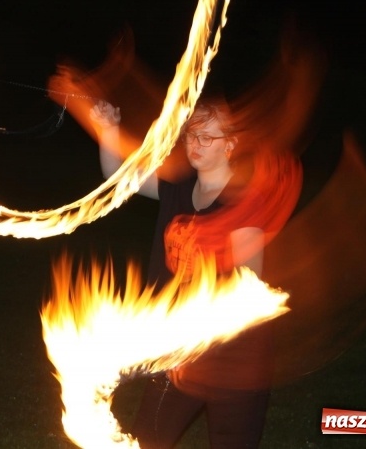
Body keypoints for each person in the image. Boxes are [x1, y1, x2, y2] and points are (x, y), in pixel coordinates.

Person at [90, 97, 279, 449]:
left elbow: (246, 287)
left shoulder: (241, 204)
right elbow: (119, 177)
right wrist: (108, 128)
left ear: (231, 145)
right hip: (178, 352)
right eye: (192, 134)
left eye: (208, 137)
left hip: (233, 360)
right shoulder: (177, 189)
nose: (195, 144)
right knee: (149, 440)